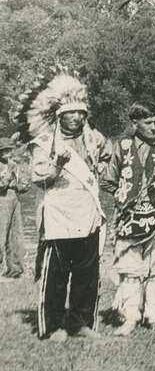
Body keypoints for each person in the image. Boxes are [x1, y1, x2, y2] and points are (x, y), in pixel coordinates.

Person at [25, 73, 109, 340]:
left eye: (80, 114)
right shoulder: (45, 142)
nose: (77, 118)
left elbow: (106, 161)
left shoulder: (93, 139)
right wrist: (57, 165)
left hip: (87, 214)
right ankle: (54, 326)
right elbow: (37, 178)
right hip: (60, 215)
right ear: (60, 116)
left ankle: (80, 322)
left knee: (87, 273)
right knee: (56, 276)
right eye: (71, 114)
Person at [100, 102, 155, 336]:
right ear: (135, 123)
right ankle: (130, 316)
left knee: (154, 268)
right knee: (131, 269)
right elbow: (107, 180)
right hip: (129, 217)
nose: (154, 127)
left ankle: (153, 315)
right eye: (148, 123)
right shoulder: (121, 146)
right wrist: (124, 196)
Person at [0, 136, 30, 281]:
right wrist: (7, 181)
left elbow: (24, 184)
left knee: (15, 234)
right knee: (1, 234)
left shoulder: (14, 165)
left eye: (9, 151)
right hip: (1, 201)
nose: (7, 154)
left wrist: (16, 184)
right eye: (4, 151)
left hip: (14, 200)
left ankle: (14, 268)